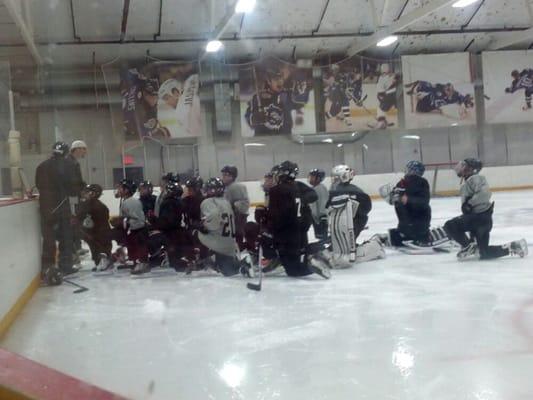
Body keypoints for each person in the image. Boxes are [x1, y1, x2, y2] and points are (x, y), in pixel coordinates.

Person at [443, 158, 528, 260]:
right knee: (484, 253)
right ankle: (513, 247)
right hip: (483, 221)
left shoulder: (475, 178)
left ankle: (468, 246)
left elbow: (485, 193)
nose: (461, 167)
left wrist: (469, 204)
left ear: (472, 169)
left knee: (449, 225)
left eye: (464, 166)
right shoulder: (470, 180)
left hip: (478, 218)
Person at [265, 160, 331, 279]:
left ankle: (311, 261)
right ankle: (309, 258)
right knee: (295, 265)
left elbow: (276, 216)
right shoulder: (298, 186)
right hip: (300, 230)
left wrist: (269, 229)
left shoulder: (276, 190)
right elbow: (312, 196)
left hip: (287, 233)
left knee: (293, 271)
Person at [35, 141, 79, 284]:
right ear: (66, 152)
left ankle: (47, 268)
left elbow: (38, 185)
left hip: (46, 208)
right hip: (61, 207)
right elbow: (73, 188)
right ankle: (65, 266)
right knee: (65, 238)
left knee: (48, 240)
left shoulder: (41, 166)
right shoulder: (69, 165)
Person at [324, 165, 384, 268]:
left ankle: (375, 247)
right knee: (339, 247)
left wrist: (354, 216)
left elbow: (365, 208)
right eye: (334, 177)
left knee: (345, 250)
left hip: (353, 221)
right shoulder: (347, 190)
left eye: (336, 177)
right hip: (344, 221)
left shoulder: (352, 191)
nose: (334, 180)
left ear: (344, 177)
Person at [378, 161, 433, 248]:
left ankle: (422, 236)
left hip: (419, 222)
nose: (407, 171)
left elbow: (424, 201)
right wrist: (390, 197)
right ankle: (408, 234)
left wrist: (408, 200)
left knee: (410, 233)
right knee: (394, 235)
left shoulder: (421, 182)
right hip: (405, 224)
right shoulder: (401, 183)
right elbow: (396, 201)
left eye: (409, 169)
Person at [195, 177, 241, 276]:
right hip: (231, 244)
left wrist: (203, 226)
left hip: (219, 242)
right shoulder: (226, 201)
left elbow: (214, 222)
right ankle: (242, 263)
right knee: (229, 270)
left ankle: (203, 259)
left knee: (194, 233)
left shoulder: (208, 202)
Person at [244, 68, 312, 135]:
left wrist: (302, 91)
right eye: (276, 79)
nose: (279, 81)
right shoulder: (258, 98)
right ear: (269, 81)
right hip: (264, 140)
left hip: (284, 139)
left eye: (281, 78)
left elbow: (299, 103)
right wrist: (254, 118)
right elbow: (249, 118)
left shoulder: (286, 95)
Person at [111, 180, 149, 275]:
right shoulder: (127, 201)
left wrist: (123, 223)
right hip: (134, 229)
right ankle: (135, 260)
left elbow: (137, 221)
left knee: (136, 244)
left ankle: (141, 262)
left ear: (126, 190)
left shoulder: (129, 202)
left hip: (137, 230)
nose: (118, 190)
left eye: (120, 188)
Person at [149, 181, 188, 270]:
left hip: (172, 235)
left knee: (149, 237)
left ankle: (162, 255)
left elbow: (166, 223)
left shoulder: (169, 203)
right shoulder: (182, 201)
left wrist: (153, 221)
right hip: (182, 234)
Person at [77, 184, 112, 271]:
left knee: (99, 244)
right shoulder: (88, 204)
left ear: (93, 194)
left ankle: (105, 259)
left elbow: (101, 223)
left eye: (87, 192)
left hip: (100, 233)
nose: (84, 194)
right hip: (95, 232)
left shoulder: (98, 206)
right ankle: (101, 259)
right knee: (94, 244)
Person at [67, 140, 88, 259]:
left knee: (77, 221)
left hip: (75, 196)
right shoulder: (70, 162)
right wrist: (82, 190)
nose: (84, 152)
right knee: (75, 221)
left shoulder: (73, 162)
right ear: (78, 149)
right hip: (72, 197)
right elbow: (74, 181)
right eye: (84, 149)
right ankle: (75, 248)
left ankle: (77, 246)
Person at [221, 166, 250, 250]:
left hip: (238, 217)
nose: (223, 177)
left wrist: (234, 206)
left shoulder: (237, 187)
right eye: (223, 174)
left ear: (232, 176)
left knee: (237, 235)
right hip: (230, 217)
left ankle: (239, 251)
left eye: (226, 175)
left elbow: (245, 203)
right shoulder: (226, 187)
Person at [308, 169, 329, 241]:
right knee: (319, 238)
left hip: (321, 219)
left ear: (318, 178)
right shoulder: (314, 188)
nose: (310, 178)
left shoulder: (320, 188)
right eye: (310, 176)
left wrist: (323, 217)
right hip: (315, 219)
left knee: (323, 239)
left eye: (313, 177)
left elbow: (323, 203)